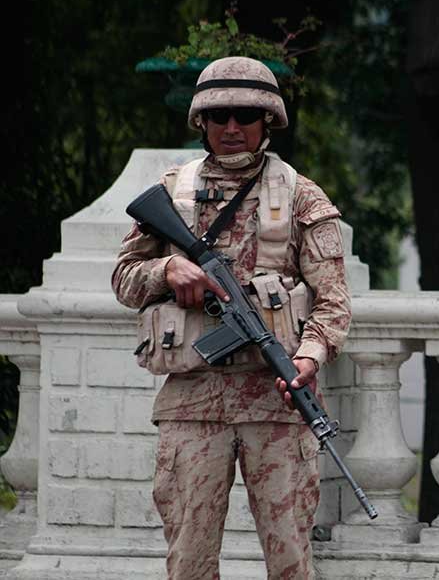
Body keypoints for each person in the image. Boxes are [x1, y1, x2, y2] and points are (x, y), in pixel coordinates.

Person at [112, 56, 351, 580]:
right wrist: (168, 269)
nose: (232, 127)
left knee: (291, 562)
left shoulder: (300, 195)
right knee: (190, 564)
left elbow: (333, 302)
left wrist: (309, 357)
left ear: (269, 121)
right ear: (201, 122)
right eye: (219, 116)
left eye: (246, 114)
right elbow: (124, 280)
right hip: (192, 404)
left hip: (279, 406)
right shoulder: (173, 192)